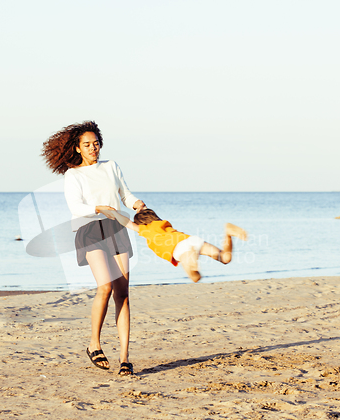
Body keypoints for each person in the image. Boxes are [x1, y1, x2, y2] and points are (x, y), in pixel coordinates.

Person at [41, 121, 145, 376]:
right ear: (77, 148)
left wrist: (137, 204)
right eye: (87, 145)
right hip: (89, 230)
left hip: (117, 228)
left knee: (123, 293)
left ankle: (124, 358)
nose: (93, 148)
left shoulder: (111, 167)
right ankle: (94, 344)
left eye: (96, 144)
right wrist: (98, 208)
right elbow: (76, 208)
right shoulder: (73, 175)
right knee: (105, 286)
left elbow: (125, 194)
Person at [104, 208, 247, 282]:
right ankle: (228, 232)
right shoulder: (162, 223)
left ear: (141, 223)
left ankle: (191, 259)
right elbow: (147, 213)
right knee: (225, 258)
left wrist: (114, 213)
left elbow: (127, 223)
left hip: (180, 249)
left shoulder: (144, 230)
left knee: (195, 278)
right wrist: (141, 207)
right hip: (191, 239)